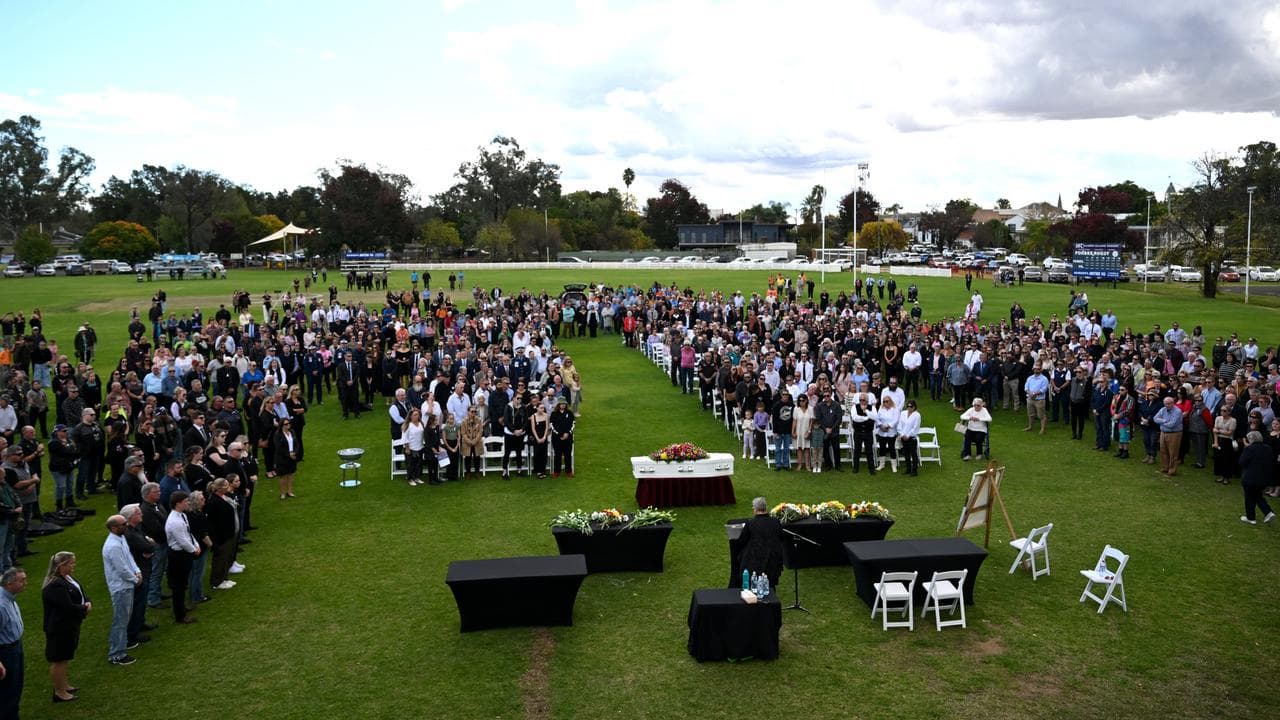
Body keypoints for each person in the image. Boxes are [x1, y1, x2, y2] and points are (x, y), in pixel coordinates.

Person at [41, 551, 90, 702]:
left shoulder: (66, 578)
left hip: (69, 625)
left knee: (65, 657)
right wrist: (84, 608)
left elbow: (79, 591)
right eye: (71, 563)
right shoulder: (54, 585)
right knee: (59, 660)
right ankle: (59, 692)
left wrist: (87, 600)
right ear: (61, 566)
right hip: (60, 628)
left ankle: (64, 685)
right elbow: (67, 607)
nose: (73, 566)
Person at [101, 515, 140, 667]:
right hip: (121, 588)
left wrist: (137, 571)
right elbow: (121, 569)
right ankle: (116, 654)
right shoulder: (113, 546)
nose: (127, 526)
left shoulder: (121, 539)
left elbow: (129, 558)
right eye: (123, 524)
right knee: (120, 621)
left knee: (124, 620)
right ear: (114, 527)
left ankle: (122, 645)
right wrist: (135, 579)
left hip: (127, 584)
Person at [163, 491, 200, 624]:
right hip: (178, 556)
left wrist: (196, 544)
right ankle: (180, 615)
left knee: (182, 583)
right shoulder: (174, 521)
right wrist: (194, 550)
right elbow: (182, 540)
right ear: (178, 503)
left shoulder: (182, 516)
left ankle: (182, 607)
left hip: (184, 553)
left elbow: (188, 533)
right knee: (178, 586)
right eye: (185, 501)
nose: (188, 503)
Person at [736, 497, 785, 589]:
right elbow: (782, 537)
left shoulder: (751, 523)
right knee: (770, 586)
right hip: (773, 559)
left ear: (755, 509)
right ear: (765, 508)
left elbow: (741, 541)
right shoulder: (775, 521)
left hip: (754, 560)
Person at [1238, 430, 1276, 525]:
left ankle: (1251, 518)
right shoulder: (1268, 448)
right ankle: (1268, 512)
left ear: (1251, 439)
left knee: (1249, 497)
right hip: (1264, 479)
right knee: (1257, 495)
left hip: (1250, 478)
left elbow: (1242, 462)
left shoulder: (1250, 449)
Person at [1153, 396, 1185, 477]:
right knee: (1163, 451)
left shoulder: (1177, 411)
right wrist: (1165, 421)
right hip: (1163, 433)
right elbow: (1155, 418)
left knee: (1173, 452)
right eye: (1166, 404)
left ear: (1173, 403)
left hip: (1174, 434)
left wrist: (1161, 422)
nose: (1168, 405)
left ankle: (1172, 470)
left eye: (1170, 403)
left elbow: (1172, 424)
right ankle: (1165, 467)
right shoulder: (1163, 409)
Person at [272, 419, 298, 499]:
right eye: (286, 424)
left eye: (289, 423)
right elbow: (278, 448)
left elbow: (296, 444)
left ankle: (289, 491)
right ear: (282, 425)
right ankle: (283, 493)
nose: (288, 425)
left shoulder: (292, 432)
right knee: (282, 476)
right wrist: (288, 454)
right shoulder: (277, 435)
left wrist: (294, 452)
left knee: (290, 474)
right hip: (282, 458)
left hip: (292, 456)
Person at [898, 399, 922, 477]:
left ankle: (914, 470)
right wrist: (902, 435)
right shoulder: (903, 413)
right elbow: (899, 425)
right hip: (903, 437)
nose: (909, 408)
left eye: (911, 406)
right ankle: (908, 469)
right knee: (906, 454)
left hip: (912, 438)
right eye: (908, 406)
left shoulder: (917, 415)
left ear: (914, 407)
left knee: (913, 454)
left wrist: (908, 435)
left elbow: (915, 427)